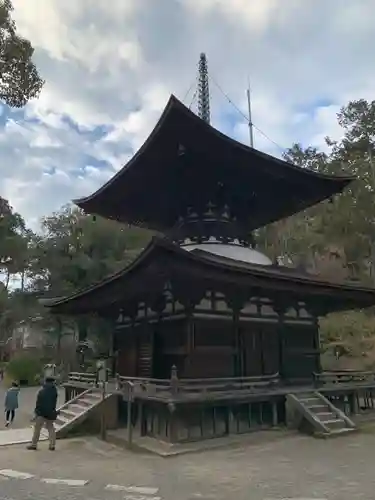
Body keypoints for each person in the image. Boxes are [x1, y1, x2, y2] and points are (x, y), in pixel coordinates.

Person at [27, 377, 58, 451]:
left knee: (37, 429)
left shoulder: (41, 391)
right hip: (51, 412)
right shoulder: (54, 391)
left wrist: (36, 413)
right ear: (52, 382)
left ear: (46, 382)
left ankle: (34, 444)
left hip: (41, 413)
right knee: (51, 428)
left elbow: (39, 403)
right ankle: (52, 445)